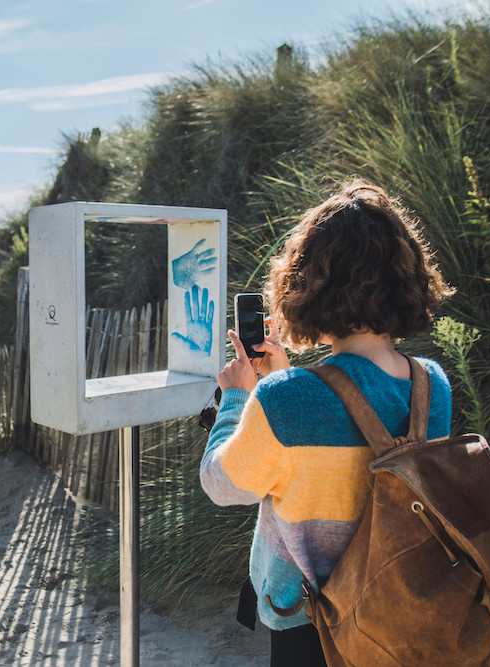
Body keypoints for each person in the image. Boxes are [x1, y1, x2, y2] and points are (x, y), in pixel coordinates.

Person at [199, 180, 454, 667]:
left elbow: (221, 484)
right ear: (408, 276)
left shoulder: (286, 400)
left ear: (308, 284)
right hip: (404, 611)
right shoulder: (432, 385)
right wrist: (286, 384)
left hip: (311, 624)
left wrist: (237, 398)